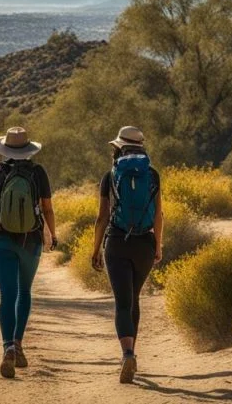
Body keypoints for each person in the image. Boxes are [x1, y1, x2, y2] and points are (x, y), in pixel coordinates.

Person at [0, 127, 57, 379]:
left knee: (6, 294)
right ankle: (19, 343)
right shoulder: (38, 172)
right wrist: (52, 236)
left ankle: (7, 348)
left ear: (4, 148)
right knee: (24, 292)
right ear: (27, 149)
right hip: (30, 240)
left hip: (0, 239)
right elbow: (47, 209)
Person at [90, 126, 164, 384]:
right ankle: (132, 353)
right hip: (144, 244)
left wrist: (95, 248)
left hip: (117, 242)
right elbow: (158, 215)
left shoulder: (109, 175)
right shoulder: (153, 175)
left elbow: (102, 217)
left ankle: (127, 353)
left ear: (119, 147)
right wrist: (158, 246)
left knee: (122, 302)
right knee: (134, 298)